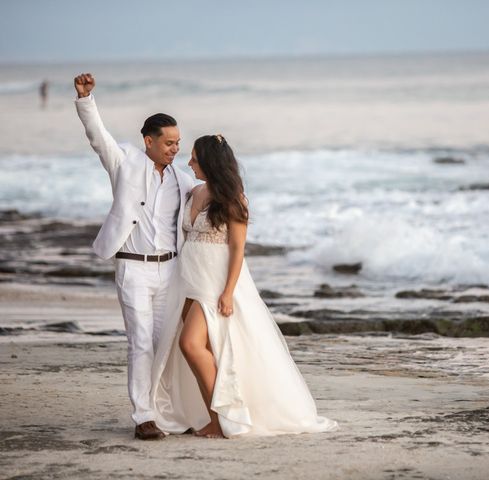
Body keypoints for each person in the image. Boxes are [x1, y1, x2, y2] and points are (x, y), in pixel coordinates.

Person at [150, 134, 339, 438]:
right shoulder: (195, 191)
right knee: (210, 351)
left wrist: (227, 292)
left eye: (195, 159)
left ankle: (222, 420)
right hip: (188, 279)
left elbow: (238, 250)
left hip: (213, 283)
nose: (189, 163)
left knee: (191, 345)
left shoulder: (233, 200)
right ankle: (213, 415)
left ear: (210, 162)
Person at [74, 73, 195, 440]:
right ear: (149, 141)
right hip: (133, 266)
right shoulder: (125, 162)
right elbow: (99, 138)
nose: (175, 149)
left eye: (178, 143)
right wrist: (86, 100)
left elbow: (208, 195)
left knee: (164, 342)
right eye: (169, 143)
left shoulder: (182, 180)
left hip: (170, 269)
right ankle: (143, 416)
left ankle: (164, 411)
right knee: (140, 341)